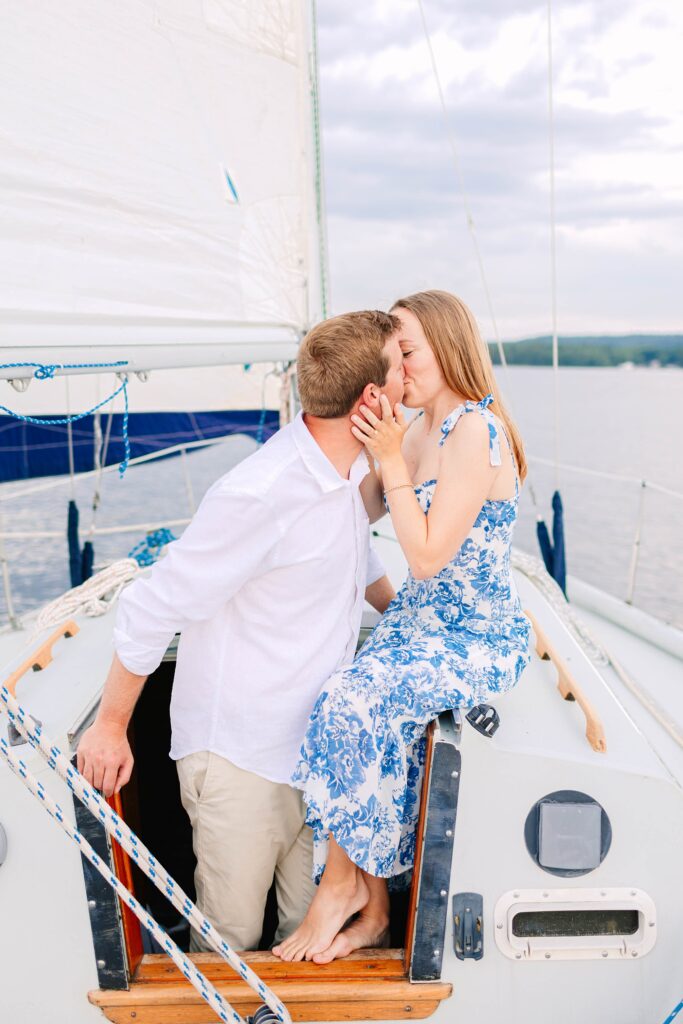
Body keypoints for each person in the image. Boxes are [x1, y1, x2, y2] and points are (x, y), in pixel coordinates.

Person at [76, 309, 406, 953]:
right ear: (372, 397)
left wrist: (403, 618)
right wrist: (111, 726)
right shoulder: (260, 493)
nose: (411, 382)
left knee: (309, 935)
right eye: (403, 367)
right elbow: (152, 606)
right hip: (241, 757)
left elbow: (354, 557)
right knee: (231, 941)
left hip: (315, 753)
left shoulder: (344, 475)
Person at [273, 289, 531, 964]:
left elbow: (424, 556)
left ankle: (338, 889)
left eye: (407, 352)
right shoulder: (414, 429)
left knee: (347, 701)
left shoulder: (475, 430)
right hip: (416, 626)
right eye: (393, 357)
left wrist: (387, 457)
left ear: (446, 349)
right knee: (333, 690)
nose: (400, 368)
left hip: (470, 635)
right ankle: (377, 907)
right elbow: (351, 517)